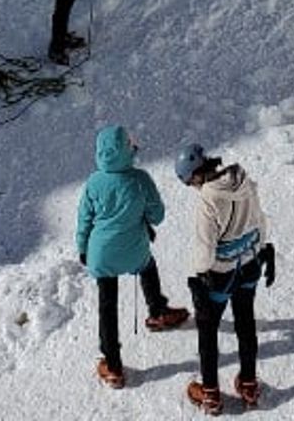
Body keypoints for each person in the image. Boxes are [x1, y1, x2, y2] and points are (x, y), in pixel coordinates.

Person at [76, 124, 190, 388]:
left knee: (107, 306)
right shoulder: (140, 179)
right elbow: (157, 216)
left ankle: (113, 367)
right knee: (148, 266)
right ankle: (158, 311)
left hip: (100, 255)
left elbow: (84, 220)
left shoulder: (93, 182)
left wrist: (83, 249)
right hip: (133, 250)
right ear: (127, 150)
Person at [176, 142, 275, 415]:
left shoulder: (208, 199)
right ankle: (249, 383)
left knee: (207, 331)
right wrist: (260, 249)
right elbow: (260, 220)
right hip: (250, 264)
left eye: (189, 183)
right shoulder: (243, 179)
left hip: (221, 274)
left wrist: (199, 277)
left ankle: (211, 396)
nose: (193, 188)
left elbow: (205, 248)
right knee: (245, 322)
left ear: (196, 175)